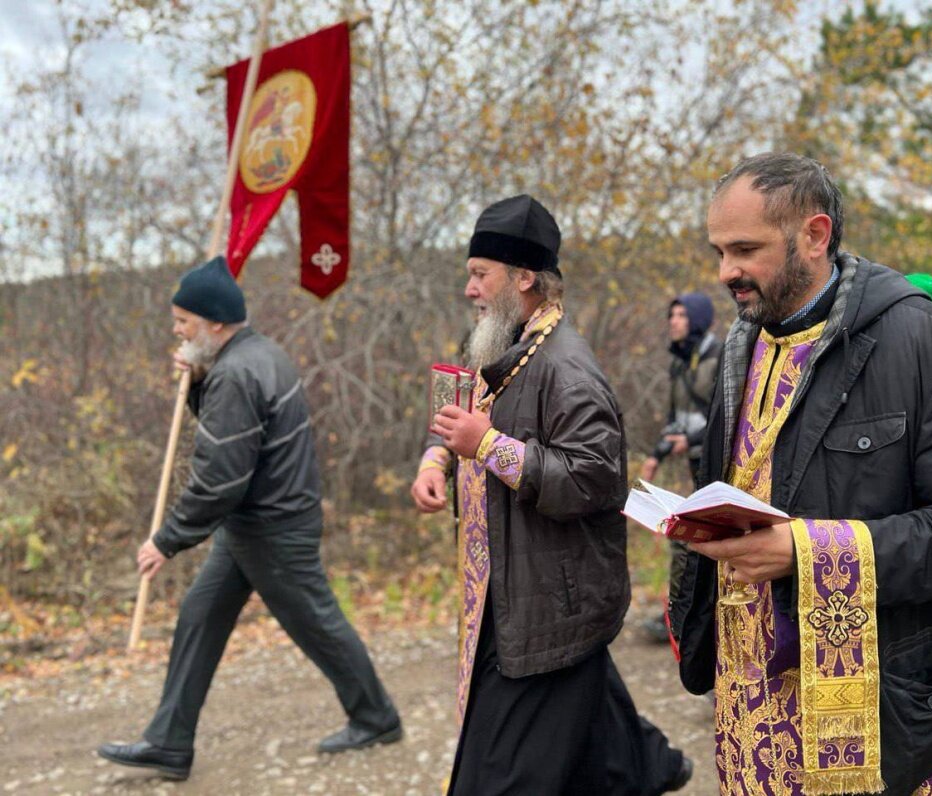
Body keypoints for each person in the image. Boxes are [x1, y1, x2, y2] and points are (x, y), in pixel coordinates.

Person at [671, 153, 932, 795]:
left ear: (815, 233)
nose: (728, 272)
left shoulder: (931, 344)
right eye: (719, 251)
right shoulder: (740, 347)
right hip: (749, 706)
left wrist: (805, 552)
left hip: (878, 717)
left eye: (746, 249)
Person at [411, 195, 692, 795]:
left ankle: (639, 761)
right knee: (590, 730)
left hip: (548, 604)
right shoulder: (502, 341)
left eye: (480, 274)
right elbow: (467, 414)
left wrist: (488, 447)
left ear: (524, 278)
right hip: (510, 590)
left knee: (497, 777)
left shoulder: (567, 368)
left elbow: (594, 479)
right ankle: (645, 763)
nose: (469, 289)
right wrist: (437, 457)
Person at [98, 256, 401, 780]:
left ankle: (375, 717)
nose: (176, 331)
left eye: (184, 323)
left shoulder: (235, 374)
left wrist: (166, 541)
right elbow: (234, 440)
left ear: (215, 323)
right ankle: (169, 742)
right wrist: (197, 381)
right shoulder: (257, 353)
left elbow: (219, 477)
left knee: (316, 623)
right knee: (200, 614)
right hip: (258, 523)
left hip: (272, 529)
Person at [639, 293, 721, 645]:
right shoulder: (679, 362)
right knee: (684, 535)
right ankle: (681, 611)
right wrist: (656, 455)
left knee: (698, 537)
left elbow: (725, 415)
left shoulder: (721, 357)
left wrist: (693, 439)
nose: (672, 321)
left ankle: (695, 613)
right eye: (671, 314)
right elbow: (675, 420)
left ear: (697, 319)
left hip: (718, 462)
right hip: (692, 463)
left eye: (680, 315)